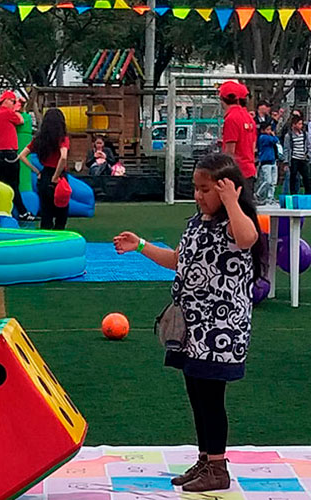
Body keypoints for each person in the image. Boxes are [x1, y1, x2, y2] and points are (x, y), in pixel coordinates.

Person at [113, 153, 264, 492]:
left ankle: (218, 468)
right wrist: (141, 246)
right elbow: (177, 260)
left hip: (221, 329)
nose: (199, 196)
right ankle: (206, 458)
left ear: (227, 189)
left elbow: (247, 238)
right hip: (192, 326)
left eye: (206, 190)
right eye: (196, 189)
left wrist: (231, 202)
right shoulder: (197, 222)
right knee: (197, 393)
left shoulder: (234, 223)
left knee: (211, 397)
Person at [19, 108, 70, 230]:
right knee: (62, 209)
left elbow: (22, 156)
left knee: (46, 209)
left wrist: (36, 171)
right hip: (59, 176)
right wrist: (56, 176)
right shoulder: (62, 138)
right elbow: (63, 157)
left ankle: (46, 235)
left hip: (44, 174)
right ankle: (59, 234)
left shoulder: (39, 140)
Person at [0, 90, 33, 221]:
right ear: (6, 101)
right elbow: (21, 120)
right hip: (9, 153)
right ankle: (22, 212)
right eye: (13, 101)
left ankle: (5, 210)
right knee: (14, 184)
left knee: (4, 183)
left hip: (0, 152)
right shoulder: (7, 113)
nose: (14, 104)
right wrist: (17, 109)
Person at [219, 81, 258, 194]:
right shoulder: (248, 117)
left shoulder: (231, 119)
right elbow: (252, 146)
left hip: (236, 172)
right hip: (249, 170)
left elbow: (230, 152)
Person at [281, 114, 311, 195]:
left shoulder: (305, 134)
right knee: (293, 177)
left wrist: (308, 155)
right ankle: (293, 193)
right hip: (294, 159)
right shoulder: (289, 136)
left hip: (303, 158)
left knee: (306, 177)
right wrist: (286, 161)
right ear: (294, 124)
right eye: (299, 124)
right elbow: (286, 149)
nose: (301, 126)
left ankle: (308, 193)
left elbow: (309, 145)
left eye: (301, 124)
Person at [256, 123, 280, 205]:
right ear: (262, 130)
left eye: (270, 129)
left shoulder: (269, 137)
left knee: (273, 182)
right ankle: (259, 193)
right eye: (267, 129)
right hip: (266, 162)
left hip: (273, 161)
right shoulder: (263, 137)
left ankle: (270, 197)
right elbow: (275, 140)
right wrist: (273, 135)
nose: (269, 131)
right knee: (268, 181)